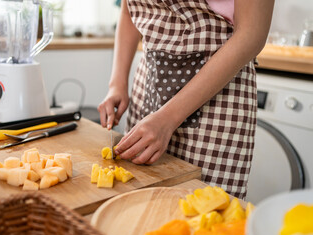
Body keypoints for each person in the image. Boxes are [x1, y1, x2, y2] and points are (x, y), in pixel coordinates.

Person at [98, 0, 275, 198]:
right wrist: (117, 84)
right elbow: (128, 11)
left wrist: (168, 117)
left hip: (217, 102)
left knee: (206, 214)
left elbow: (251, 35)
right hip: (149, 88)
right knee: (140, 204)